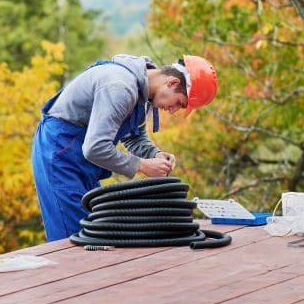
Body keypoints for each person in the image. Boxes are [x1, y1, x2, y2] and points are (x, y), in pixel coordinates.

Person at [31, 54, 218, 241]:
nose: (173, 110)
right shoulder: (120, 88)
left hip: (82, 161)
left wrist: (155, 154)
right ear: (172, 82)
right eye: (179, 103)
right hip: (59, 154)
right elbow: (95, 147)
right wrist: (143, 166)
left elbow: (133, 137)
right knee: (72, 238)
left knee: (93, 232)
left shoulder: (142, 94)